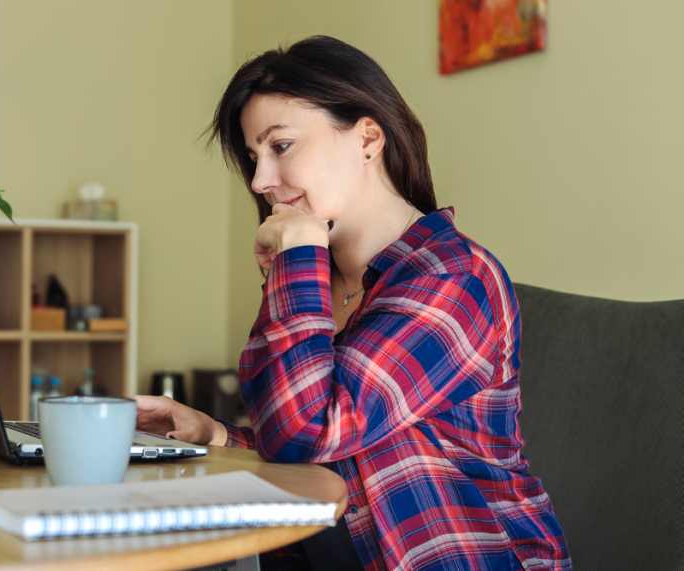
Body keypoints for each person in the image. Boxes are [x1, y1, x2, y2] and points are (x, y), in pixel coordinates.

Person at [136, 35, 571, 570]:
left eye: (281, 146)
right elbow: (327, 441)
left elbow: (309, 431)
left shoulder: (454, 277)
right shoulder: (319, 274)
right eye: (253, 157)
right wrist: (217, 434)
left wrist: (296, 257)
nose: (260, 181)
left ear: (367, 139)